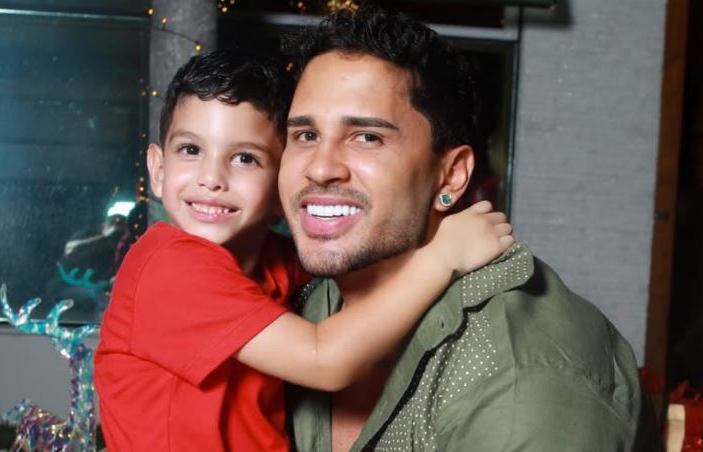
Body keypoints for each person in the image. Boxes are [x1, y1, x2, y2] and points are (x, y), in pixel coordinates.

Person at [94, 50, 513, 451]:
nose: (212, 178)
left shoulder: (274, 258)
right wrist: (442, 257)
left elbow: (372, 263)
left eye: (245, 158)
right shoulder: (169, 268)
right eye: (191, 150)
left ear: (283, 182)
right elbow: (323, 359)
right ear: (158, 168)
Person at [280, 6, 649, 451]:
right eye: (305, 135)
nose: (320, 168)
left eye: (367, 137)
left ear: (451, 176)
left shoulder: (517, 367)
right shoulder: (295, 301)